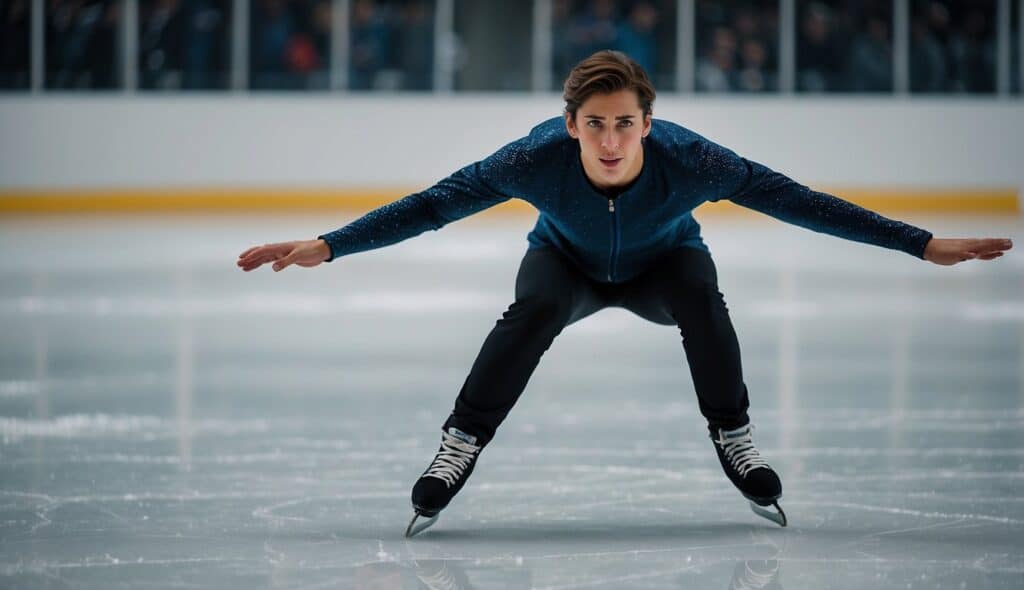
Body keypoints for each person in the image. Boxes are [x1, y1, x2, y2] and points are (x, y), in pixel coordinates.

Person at [236, 50, 1013, 537]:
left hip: (662, 266)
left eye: (626, 125)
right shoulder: (532, 159)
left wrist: (919, 243)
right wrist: (332, 245)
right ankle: (460, 446)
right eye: (595, 125)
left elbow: (799, 202)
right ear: (569, 125)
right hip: (565, 267)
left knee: (703, 298)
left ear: (649, 124)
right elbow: (434, 204)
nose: (611, 143)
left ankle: (734, 438)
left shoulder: (695, 162)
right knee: (533, 308)